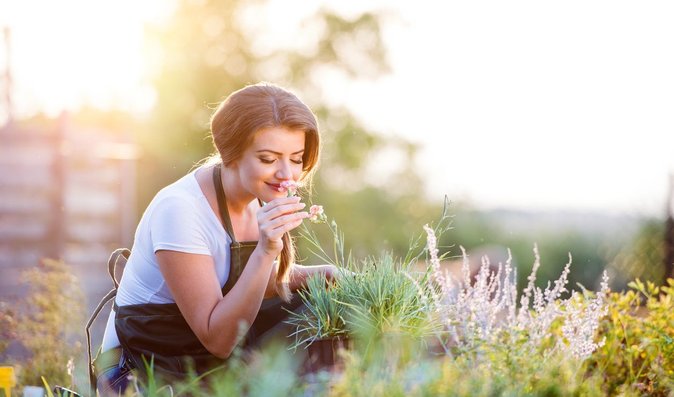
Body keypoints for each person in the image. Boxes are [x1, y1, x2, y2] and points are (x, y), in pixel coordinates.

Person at [93, 82, 337, 395]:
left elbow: (249, 283)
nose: (286, 174)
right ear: (231, 153)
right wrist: (265, 250)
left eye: (297, 158)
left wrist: (326, 274)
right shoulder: (181, 210)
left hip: (202, 357)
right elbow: (219, 339)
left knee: (323, 306)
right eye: (268, 158)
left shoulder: (259, 194)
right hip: (146, 368)